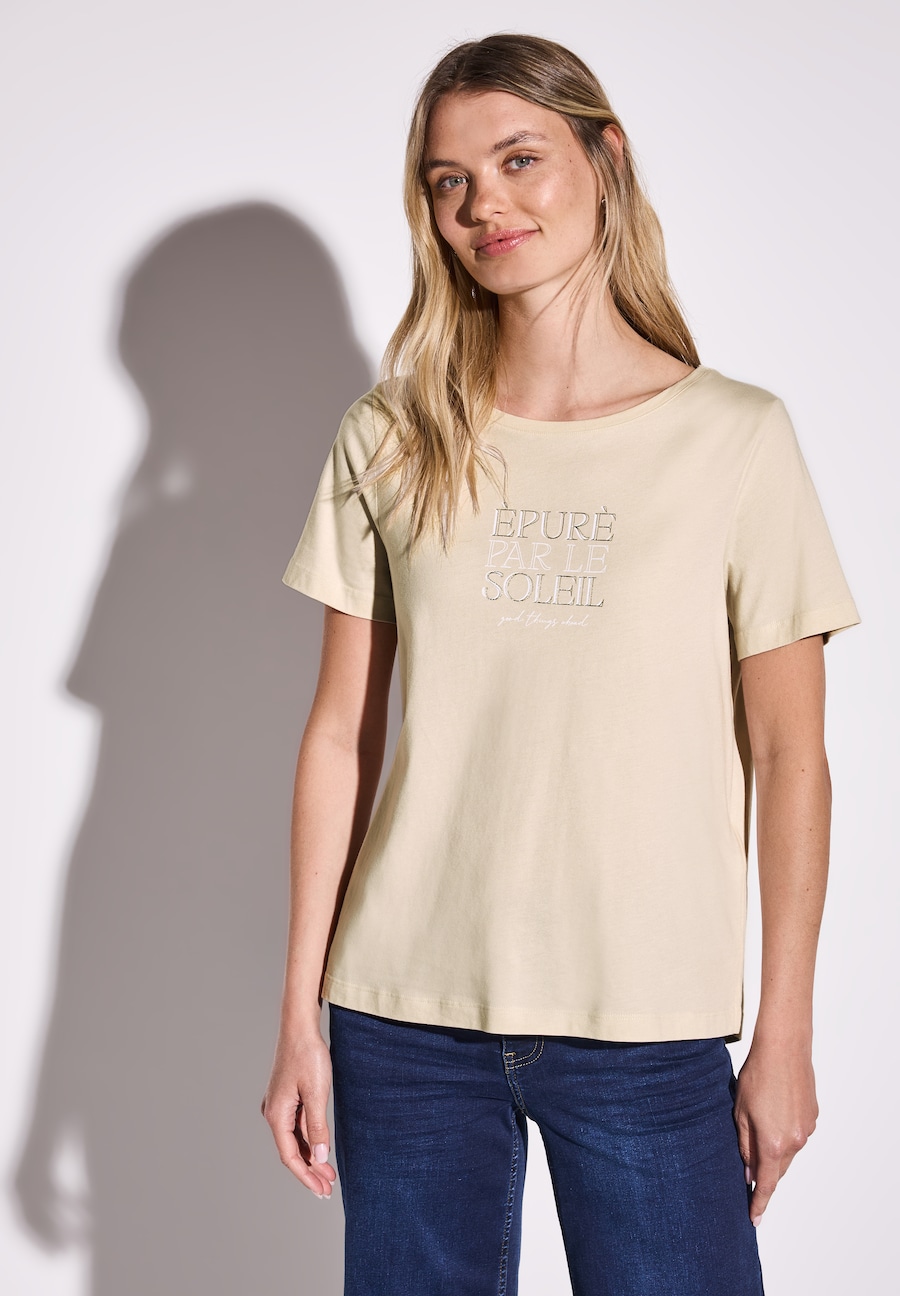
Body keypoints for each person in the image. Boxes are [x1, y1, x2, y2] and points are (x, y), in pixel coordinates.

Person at [261, 32, 860, 1296]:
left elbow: (792, 758)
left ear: (606, 157)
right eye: (449, 180)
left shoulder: (736, 440)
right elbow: (338, 736)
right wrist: (299, 1016)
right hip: (403, 1018)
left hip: (645, 1023)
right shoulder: (391, 434)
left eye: (518, 159)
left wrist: (787, 1033)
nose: (484, 203)